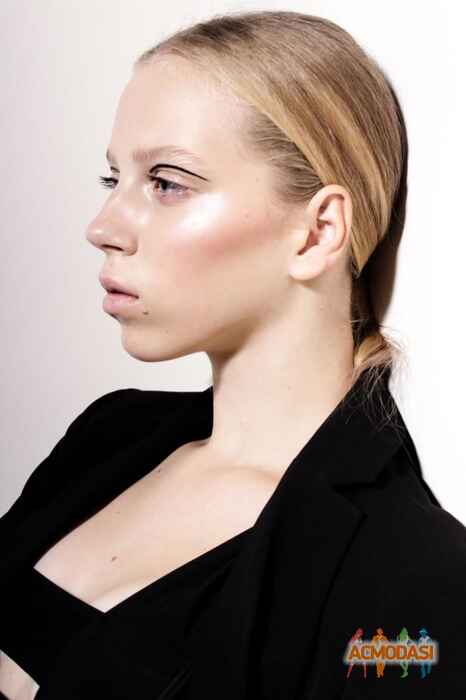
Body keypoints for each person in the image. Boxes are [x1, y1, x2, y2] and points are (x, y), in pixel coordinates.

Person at [1, 9, 465, 699]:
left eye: (166, 182)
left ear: (319, 231)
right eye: (112, 180)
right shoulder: (108, 435)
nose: (103, 228)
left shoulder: (415, 579)